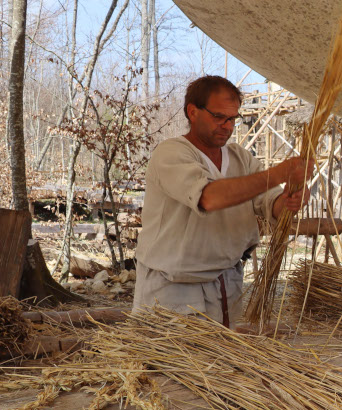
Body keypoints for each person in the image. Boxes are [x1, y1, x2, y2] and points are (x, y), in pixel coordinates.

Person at [133, 75, 312, 327]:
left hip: (227, 284)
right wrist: (279, 174)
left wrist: (290, 199)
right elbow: (209, 197)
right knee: (177, 366)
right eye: (219, 117)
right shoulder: (171, 153)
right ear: (193, 112)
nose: (227, 126)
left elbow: (270, 204)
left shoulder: (240, 157)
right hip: (173, 289)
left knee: (221, 366)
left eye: (232, 119)